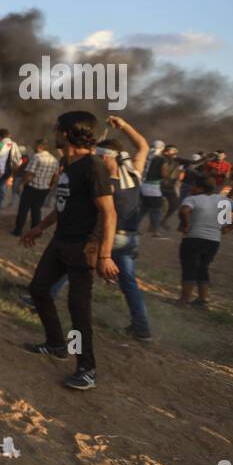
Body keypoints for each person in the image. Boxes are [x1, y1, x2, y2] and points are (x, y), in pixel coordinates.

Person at [19, 111, 118, 391]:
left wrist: (105, 254)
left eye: (57, 127)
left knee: (78, 307)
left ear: (67, 133)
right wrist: (39, 228)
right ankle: (56, 344)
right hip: (60, 241)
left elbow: (109, 213)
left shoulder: (93, 166)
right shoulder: (67, 162)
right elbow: (63, 204)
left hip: (83, 245)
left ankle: (86, 368)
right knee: (38, 289)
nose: (54, 130)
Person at [98, 117, 153, 340]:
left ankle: (40, 299)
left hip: (109, 236)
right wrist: (125, 125)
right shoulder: (134, 173)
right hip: (130, 238)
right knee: (129, 283)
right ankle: (142, 329)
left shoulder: (104, 180)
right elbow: (143, 146)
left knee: (72, 264)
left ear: (103, 157)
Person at [174, 176, 232, 308]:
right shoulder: (223, 200)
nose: (192, 188)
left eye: (194, 185)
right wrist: (228, 227)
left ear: (200, 187)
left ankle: (184, 300)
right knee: (203, 268)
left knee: (189, 267)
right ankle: (203, 299)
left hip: (193, 238)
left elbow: (184, 210)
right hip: (213, 241)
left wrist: (185, 225)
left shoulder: (192, 198)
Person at [11, 139, 60, 236]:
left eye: (35, 145)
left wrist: (21, 184)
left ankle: (18, 230)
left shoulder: (36, 157)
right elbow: (55, 176)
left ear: (39, 146)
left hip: (32, 187)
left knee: (23, 209)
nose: (34, 147)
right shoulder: (54, 160)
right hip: (44, 189)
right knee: (36, 210)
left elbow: (29, 173)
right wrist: (50, 186)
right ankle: (35, 230)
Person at [138, 140, 171, 238]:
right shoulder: (162, 159)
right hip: (153, 188)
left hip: (142, 186)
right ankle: (155, 231)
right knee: (157, 210)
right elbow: (164, 173)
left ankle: (134, 227)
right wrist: (168, 178)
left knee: (143, 209)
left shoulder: (146, 156)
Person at [0, 128, 21, 219]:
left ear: (0, 136)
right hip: (7, 172)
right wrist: (14, 171)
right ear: (9, 135)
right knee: (1, 193)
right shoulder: (14, 144)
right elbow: (19, 160)